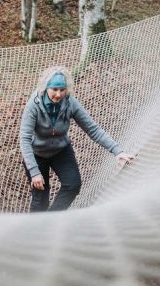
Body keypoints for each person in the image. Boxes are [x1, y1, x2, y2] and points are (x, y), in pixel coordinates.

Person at [19, 66, 135, 212]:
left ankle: (50, 220)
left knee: (73, 185)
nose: (58, 94)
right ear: (46, 88)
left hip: (60, 151)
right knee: (40, 197)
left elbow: (93, 129)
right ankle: (34, 231)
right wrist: (34, 172)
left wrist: (117, 151)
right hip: (36, 154)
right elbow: (24, 139)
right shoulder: (34, 106)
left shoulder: (70, 103)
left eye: (62, 90)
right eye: (54, 89)